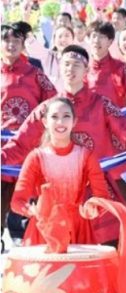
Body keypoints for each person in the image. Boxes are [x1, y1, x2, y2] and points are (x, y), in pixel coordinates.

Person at [1, 45, 126, 293]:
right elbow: (19, 144)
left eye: (76, 64)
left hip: (97, 189)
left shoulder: (101, 103)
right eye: (66, 63)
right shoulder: (48, 109)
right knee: (57, 257)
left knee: (112, 247)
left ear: (86, 70)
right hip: (58, 194)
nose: (70, 68)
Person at [11, 97, 110, 245]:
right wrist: (30, 210)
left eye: (66, 116)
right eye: (54, 117)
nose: (60, 122)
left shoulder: (86, 156)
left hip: (78, 230)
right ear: (45, 122)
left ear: (74, 121)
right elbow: (17, 201)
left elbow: (102, 197)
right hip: (45, 230)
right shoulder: (36, 157)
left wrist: (94, 208)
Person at [1, 23, 58, 242]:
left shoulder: (34, 72)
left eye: (16, 41)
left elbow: (53, 100)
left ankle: (27, 237)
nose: (11, 45)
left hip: (29, 143)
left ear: (23, 44)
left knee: (27, 191)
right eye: (6, 40)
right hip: (3, 145)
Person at [86, 21, 126, 107]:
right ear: (88, 39)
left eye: (102, 37)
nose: (96, 41)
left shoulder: (122, 68)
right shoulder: (82, 69)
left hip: (117, 114)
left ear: (110, 41)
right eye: (94, 36)